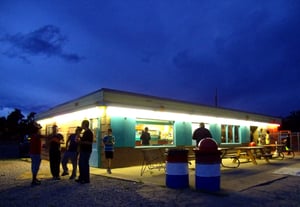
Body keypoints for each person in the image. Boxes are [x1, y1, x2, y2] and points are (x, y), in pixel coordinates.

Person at [76, 120, 93, 184]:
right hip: (84, 150)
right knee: (81, 164)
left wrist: (80, 142)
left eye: (82, 124)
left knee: (84, 165)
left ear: (85, 124)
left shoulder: (88, 132)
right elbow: (85, 140)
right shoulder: (85, 132)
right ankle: (81, 178)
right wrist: (79, 136)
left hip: (86, 151)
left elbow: (89, 142)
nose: (81, 125)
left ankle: (85, 179)